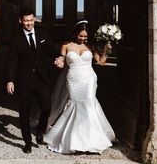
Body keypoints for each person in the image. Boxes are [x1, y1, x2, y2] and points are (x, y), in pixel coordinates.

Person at [43, 20, 116, 154]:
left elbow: (101, 62)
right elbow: (62, 59)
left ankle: (92, 141)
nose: (83, 39)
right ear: (76, 33)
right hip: (73, 79)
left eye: (85, 37)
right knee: (74, 104)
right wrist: (59, 61)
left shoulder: (90, 46)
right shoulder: (66, 45)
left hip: (89, 79)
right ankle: (72, 139)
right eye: (81, 36)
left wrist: (106, 50)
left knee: (88, 105)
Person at [6, 9, 63, 153]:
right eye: (26, 21)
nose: (29, 23)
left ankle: (40, 130)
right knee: (24, 112)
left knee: (46, 107)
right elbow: (11, 61)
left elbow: (52, 50)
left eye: (31, 20)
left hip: (42, 79)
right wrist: (10, 80)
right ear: (21, 21)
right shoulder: (15, 39)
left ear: (35, 20)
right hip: (24, 80)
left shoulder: (44, 34)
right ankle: (27, 142)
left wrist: (59, 57)